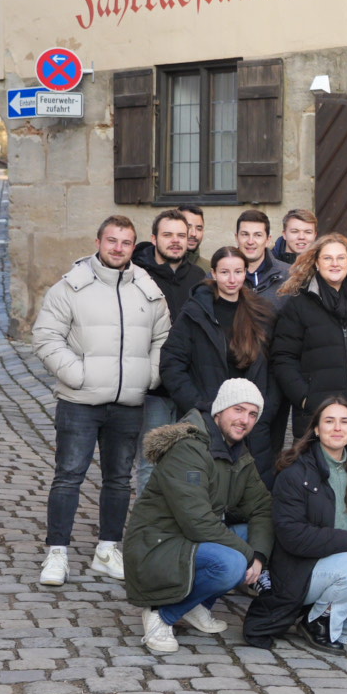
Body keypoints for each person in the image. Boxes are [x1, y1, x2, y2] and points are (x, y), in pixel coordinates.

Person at [32, 215, 172, 587]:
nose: (118, 248)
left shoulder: (146, 288)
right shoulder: (72, 286)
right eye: (112, 241)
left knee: (118, 479)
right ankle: (57, 552)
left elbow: (163, 338)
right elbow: (46, 337)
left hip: (127, 403)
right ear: (98, 241)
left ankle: (107, 550)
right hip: (79, 401)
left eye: (126, 243)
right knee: (68, 477)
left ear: (134, 246)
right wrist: (78, 375)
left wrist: (149, 376)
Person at [242, 396, 347, 654]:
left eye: (344, 422)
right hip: (304, 570)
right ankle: (323, 624)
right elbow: (292, 535)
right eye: (329, 421)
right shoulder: (295, 472)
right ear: (316, 429)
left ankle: (320, 623)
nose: (337, 428)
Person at [123, 379, 275, 654]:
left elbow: (262, 506)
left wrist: (260, 555)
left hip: (191, 541)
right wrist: (248, 555)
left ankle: (196, 604)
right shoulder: (189, 448)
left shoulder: (238, 453)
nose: (245, 420)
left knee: (254, 538)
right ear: (219, 411)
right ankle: (162, 614)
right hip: (157, 545)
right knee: (232, 563)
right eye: (238, 410)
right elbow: (197, 521)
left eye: (252, 414)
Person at [271, 234, 347, 471]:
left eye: (340, 257)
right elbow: (283, 357)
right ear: (316, 263)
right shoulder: (299, 304)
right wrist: (305, 397)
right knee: (320, 486)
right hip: (318, 411)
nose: (335, 263)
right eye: (327, 258)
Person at [160, 247, 281, 484]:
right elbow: (172, 363)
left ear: (246, 273)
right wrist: (200, 407)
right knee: (210, 486)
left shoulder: (262, 313)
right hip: (210, 418)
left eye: (238, 271)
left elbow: (276, 364)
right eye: (225, 272)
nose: (232, 279)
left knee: (256, 488)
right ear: (213, 274)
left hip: (253, 420)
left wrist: (266, 409)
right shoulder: (195, 312)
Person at [131, 209, 207, 495]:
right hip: (154, 390)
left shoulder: (199, 277)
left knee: (188, 464)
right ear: (154, 239)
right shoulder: (137, 276)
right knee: (151, 463)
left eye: (181, 235)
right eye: (168, 235)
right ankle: (146, 533)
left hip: (190, 387)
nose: (175, 241)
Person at [236, 210, 290, 303]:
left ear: (268, 240)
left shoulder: (289, 276)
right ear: (237, 238)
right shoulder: (219, 277)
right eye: (245, 234)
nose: (250, 241)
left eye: (258, 235)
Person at [177, 204, 208, 272]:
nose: (193, 234)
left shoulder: (209, 269)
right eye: (188, 227)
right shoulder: (159, 266)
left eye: (199, 228)